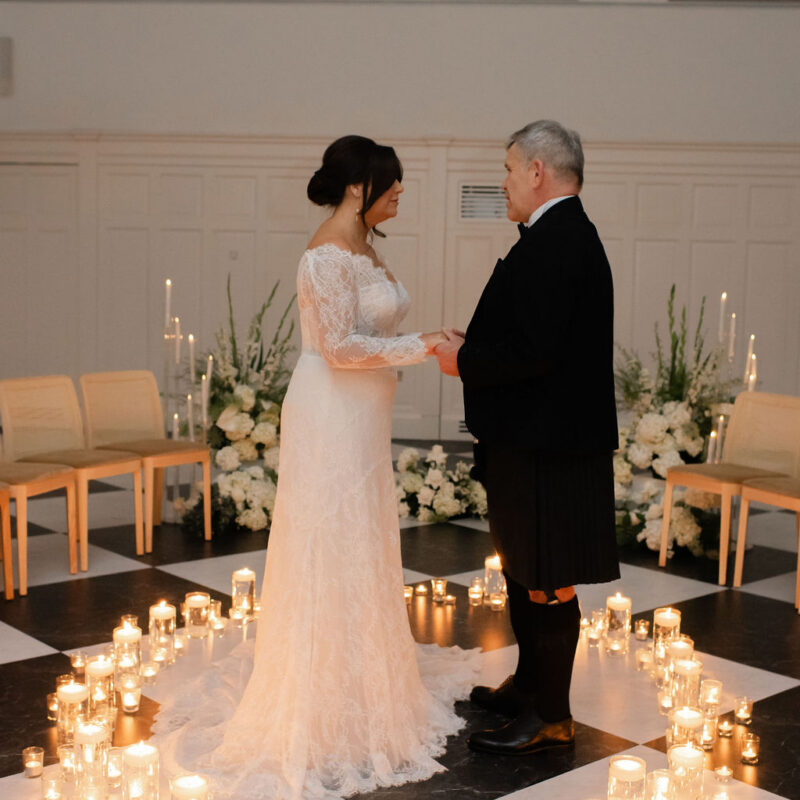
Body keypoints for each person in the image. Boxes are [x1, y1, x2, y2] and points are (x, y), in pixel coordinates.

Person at [153, 135, 480, 799]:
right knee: (329, 538)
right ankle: (322, 691)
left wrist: (422, 344)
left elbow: (365, 333)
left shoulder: (363, 245)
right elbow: (336, 347)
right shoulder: (325, 255)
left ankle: (361, 669)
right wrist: (423, 345)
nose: (399, 195)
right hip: (331, 412)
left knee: (359, 536)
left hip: (362, 416)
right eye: (391, 186)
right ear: (360, 187)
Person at [434, 120, 620, 755]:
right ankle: (528, 687)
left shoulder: (561, 240)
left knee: (548, 580)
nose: (505, 181)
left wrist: (467, 361)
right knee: (523, 571)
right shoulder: (557, 235)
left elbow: (537, 353)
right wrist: (476, 347)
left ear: (538, 171)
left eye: (510, 169)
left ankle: (553, 717)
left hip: (550, 446)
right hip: (534, 439)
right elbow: (538, 341)